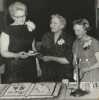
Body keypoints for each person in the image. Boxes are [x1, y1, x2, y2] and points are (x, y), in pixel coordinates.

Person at [0, 1, 37, 83]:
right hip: (14, 68)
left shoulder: (30, 28)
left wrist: (38, 67)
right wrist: (17, 55)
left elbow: (33, 49)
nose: (22, 19)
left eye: (23, 16)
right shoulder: (7, 31)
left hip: (30, 67)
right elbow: (3, 52)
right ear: (12, 16)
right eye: (18, 17)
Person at [38, 14, 73, 82]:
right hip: (47, 74)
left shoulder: (69, 38)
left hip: (63, 73)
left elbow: (67, 60)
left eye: (55, 23)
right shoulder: (46, 36)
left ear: (62, 26)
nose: (51, 25)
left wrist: (50, 58)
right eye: (51, 23)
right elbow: (41, 53)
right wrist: (40, 56)